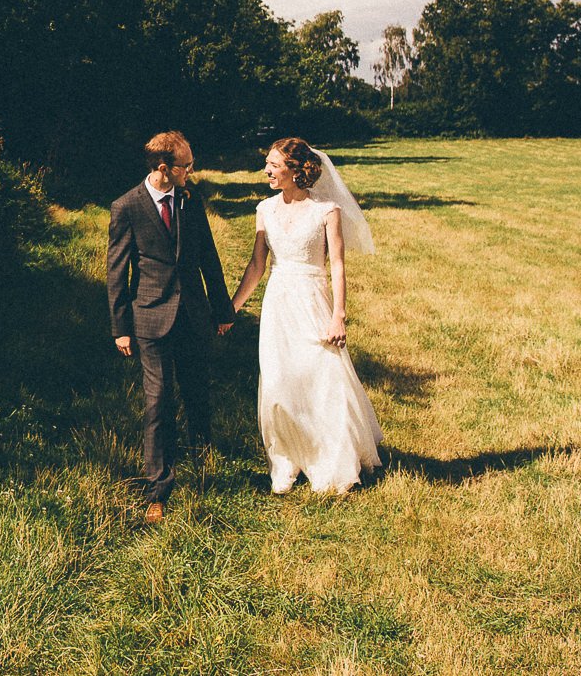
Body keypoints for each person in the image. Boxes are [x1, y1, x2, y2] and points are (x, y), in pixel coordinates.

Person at [227, 136, 383, 495]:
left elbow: (339, 266)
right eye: (267, 163)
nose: (266, 169)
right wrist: (231, 308)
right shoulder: (264, 209)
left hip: (313, 300)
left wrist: (338, 315)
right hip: (279, 303)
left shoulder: (326, 210)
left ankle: (333, 458)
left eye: (274, 164)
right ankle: (286, 459)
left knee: (321, 378)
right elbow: (256, 265)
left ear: (296, 170)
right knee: (280, 382)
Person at [107, 130, 235, 522]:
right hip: (150, 317)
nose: (191, 171)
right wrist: (120, 326)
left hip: (193, 314)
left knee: (197, 390)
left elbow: (208, 256)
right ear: (164, 168)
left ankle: (203, 460)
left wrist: (223, 309)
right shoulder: (127, 206)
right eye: (186, 166)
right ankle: (157, 489)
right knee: (158, 400)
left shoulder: (191, 200)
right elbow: (116, 270)